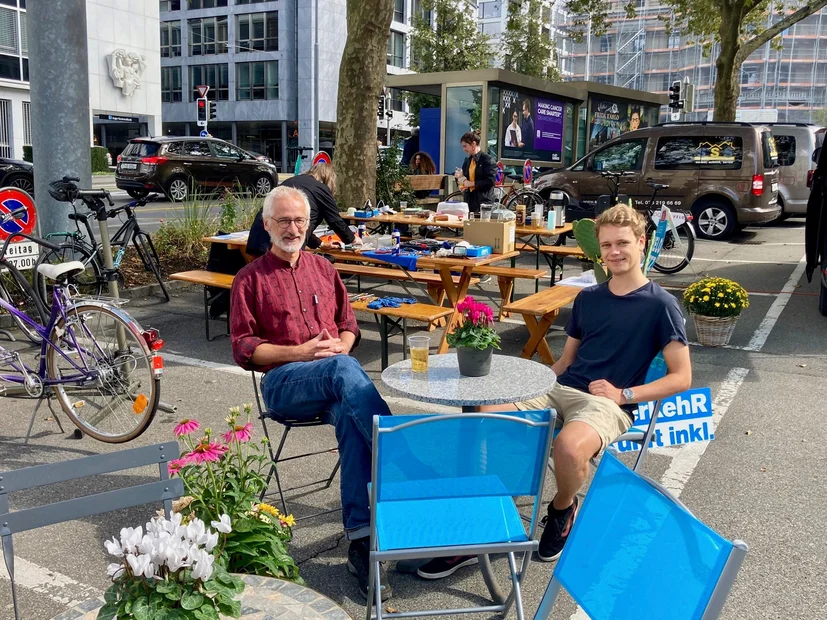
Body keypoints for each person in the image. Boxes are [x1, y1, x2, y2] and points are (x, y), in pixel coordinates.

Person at [414, 205, 691, 580]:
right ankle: (492, 517)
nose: (614, 252)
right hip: (561, 389)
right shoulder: (590, 299)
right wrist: (528, 381)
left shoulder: (661, 305)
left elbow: (681, 378)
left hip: (608, 402)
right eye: (606, 245)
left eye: (623, 243)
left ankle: (562, 508)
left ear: (642, 243)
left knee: (568, 447)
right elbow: (564, 363)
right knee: (488, 411)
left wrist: (624, 394)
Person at [230, 186, 393, 601]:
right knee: (344, 372)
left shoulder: (324, 268)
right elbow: (244, 349)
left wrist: (343, 343)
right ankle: (400, 452)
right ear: (267, 225)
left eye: (299, 220)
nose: (293, 228)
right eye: (283, 220)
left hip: (335, 380)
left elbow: (350, 325)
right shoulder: (249, 279)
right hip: (284, 383)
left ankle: (361, 540)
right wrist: (300, 352)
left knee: (351, 417)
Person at [246, 162, 360, 256]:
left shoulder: (292, 181)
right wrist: (353, 240)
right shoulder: (321, 189)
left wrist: (319, 244)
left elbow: (300, 226)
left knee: (262, 279)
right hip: (281, 245)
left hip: (258, 236)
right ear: (328, 179)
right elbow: (335, 221)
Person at [454, 131, 497, 214]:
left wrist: (471, 183)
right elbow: (463, 182)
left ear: (473, 144)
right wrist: (459, 178)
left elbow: (490, 181)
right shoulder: (468, 161)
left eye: (465, 146)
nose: (464, 149)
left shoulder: (487, 160)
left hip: (484, 203)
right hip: (470, 201)